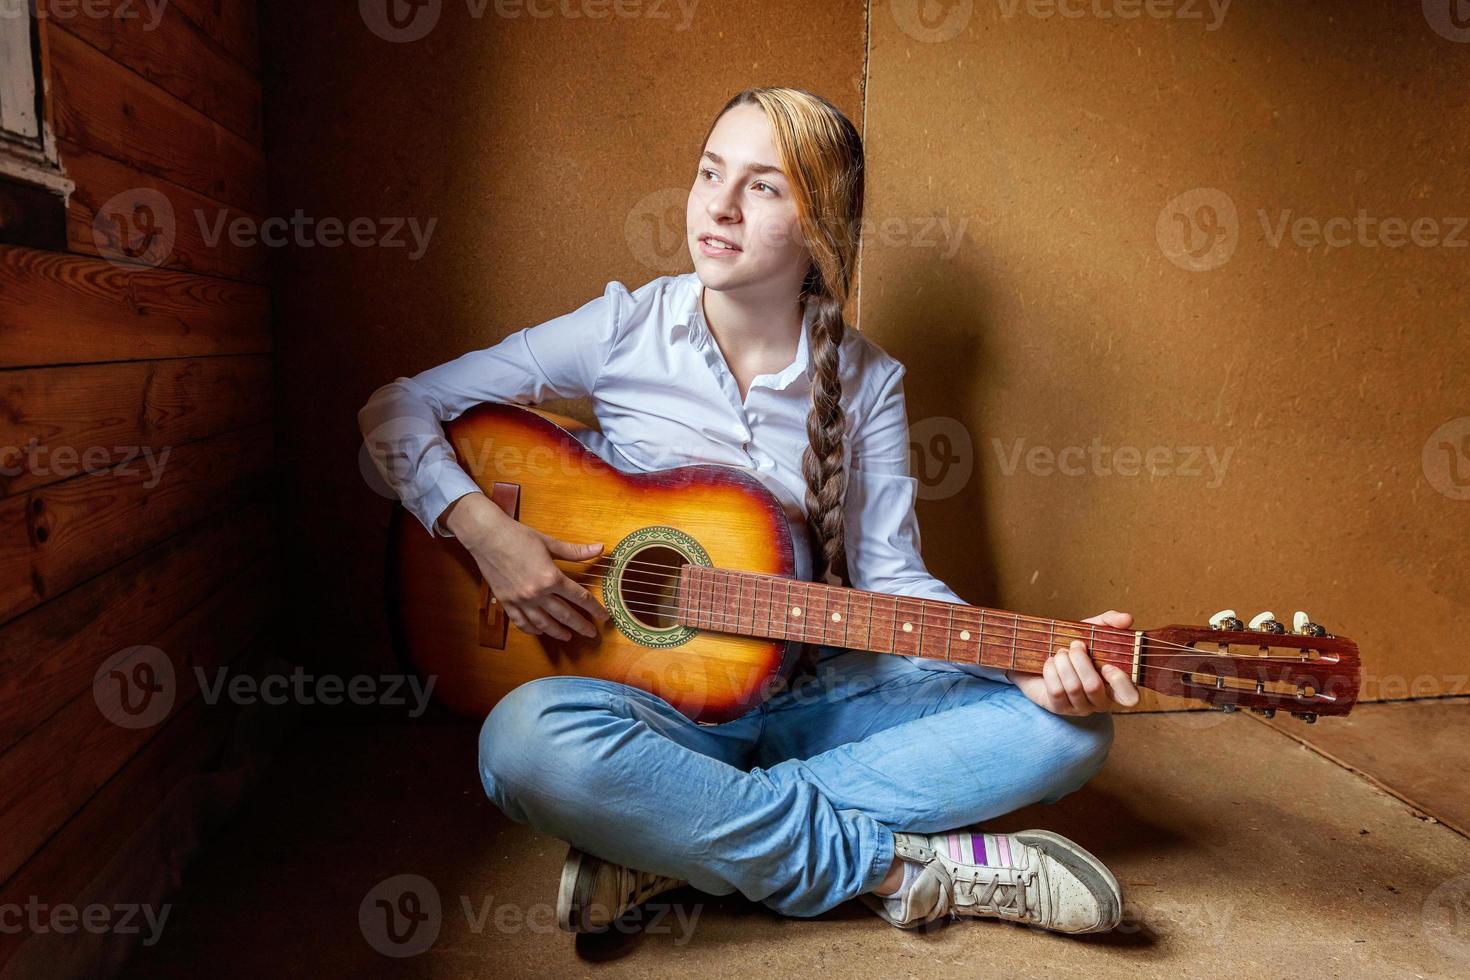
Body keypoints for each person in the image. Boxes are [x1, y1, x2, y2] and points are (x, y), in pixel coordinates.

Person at [358, 87, 1141, 937]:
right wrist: (485, 530)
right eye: (708, 173)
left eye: (763, 187)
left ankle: (676, 840)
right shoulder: (624, 329)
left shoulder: (867, 379)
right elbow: (394, 408)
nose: (718, 206)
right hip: (647, 712)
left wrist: (1028, 659)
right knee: (518, 745)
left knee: (1075, 733)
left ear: (822, 223)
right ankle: (899, 868)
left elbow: (894, 579)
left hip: (811, 703)